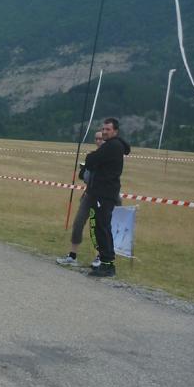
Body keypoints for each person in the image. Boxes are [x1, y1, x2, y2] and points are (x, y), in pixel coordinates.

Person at [84, 117, 131, 278]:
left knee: (102, 227)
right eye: (103, 129)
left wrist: (92, 157)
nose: (104, 132)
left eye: (107, 129)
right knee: (102, 227)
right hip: (105, 192)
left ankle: (107, 264)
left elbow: (91, 160)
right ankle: (106, 262)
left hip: (104, 193)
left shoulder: (112, 146)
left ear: (115, 131)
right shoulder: (115, 145)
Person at [56, 130, 104, 267]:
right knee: (78, 223)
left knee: (97, 227)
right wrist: (84, 171)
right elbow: (87, 178)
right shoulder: (92, 156)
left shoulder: (109, 157)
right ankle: (72, 255)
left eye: (101, 139)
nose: (98, 141)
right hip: (88, 194)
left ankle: (100, 256)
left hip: (102, 197)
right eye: (96, 139)